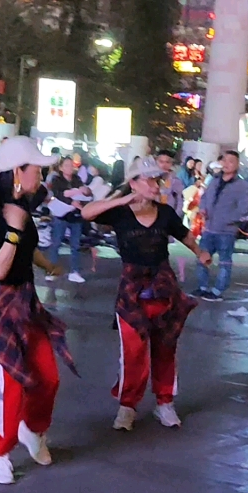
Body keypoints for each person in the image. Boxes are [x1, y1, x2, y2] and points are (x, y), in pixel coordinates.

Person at [0, 136, 78, 484]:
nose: (42, 175)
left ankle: (33, 430)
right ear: (18, 171)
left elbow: (26, 248)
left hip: (26, 302)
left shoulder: (24, 206)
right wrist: (15, 231)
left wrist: (46, 265)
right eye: (37, 168)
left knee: (48, 376)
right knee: (9, 385)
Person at [82, 157, 209, 431]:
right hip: (132, 288)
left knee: (165, 346)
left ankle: (165, 403)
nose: (156, 185)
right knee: (133, 350)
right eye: (150, 180)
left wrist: (200, 252)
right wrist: (121, 200)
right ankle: (127, 406)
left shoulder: (165, 213)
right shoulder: (119, 212)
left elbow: (185, 235)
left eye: (157, 179)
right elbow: (87, 213)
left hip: (163, 285)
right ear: (134, 183)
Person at [195, 150, 248, 302]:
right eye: (224, 160)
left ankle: (218, 290)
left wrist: (226, 220)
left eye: (230, 161)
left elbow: (243, 208)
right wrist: (203, 208)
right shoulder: (214, 180)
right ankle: (202, 287)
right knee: (201, 258)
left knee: (224, 262)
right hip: (208, 229)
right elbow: (205, 197)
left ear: (237, 165)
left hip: (226, 232)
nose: (226, 164)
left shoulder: (242, 185)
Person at [46, 156, 89, 284]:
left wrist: (84, 191)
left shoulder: (77, 179)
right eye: (66, 165)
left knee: (75, 245)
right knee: (56, 244)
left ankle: (74, 272)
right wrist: (74, 196)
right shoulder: (57, 179)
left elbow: (85, 192)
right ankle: (52, 270)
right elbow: (60, 194)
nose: (69, 168)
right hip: (61, 215)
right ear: (61, 167)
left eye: (71, 165)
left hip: (75, 216)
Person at [155, 150, 183, 219]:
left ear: (171, 164)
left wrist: (176, 216)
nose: (164, 165)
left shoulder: (175, 180)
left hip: (169, 215)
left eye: (167, 162)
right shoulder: (150, 178)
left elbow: (179, 200)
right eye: (161, 162)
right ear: (156, 162)